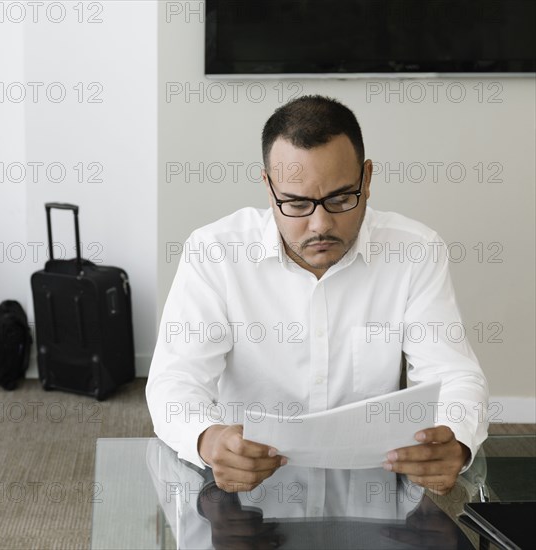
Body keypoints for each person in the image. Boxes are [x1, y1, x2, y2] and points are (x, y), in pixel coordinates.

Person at [146, 95, 489, 495]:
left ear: (368, 178)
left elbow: (453, 374)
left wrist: (457, 439)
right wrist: (208, 439)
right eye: (295, 203)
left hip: (371, 490)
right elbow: (175, 380)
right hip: (246, 489)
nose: (320, 224)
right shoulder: (214, 252)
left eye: (341, 199)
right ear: (268, 187)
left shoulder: (415, 251)